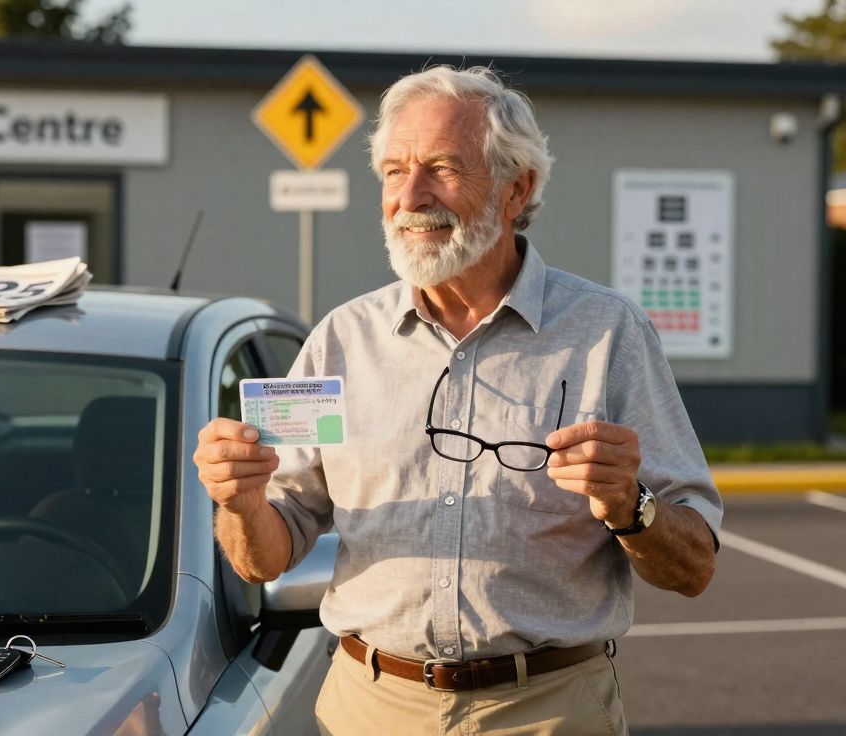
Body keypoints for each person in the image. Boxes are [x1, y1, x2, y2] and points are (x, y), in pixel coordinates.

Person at [194, 66, 721, 735]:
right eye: (393, 170)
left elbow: (695, 565)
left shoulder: (609, 334)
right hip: (369, 708)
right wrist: (240, 501)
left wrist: (631, 506)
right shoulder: (342, 340)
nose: (410, 196)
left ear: (516, 189)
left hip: (549, 712)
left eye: (441, 167)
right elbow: (265, 553)